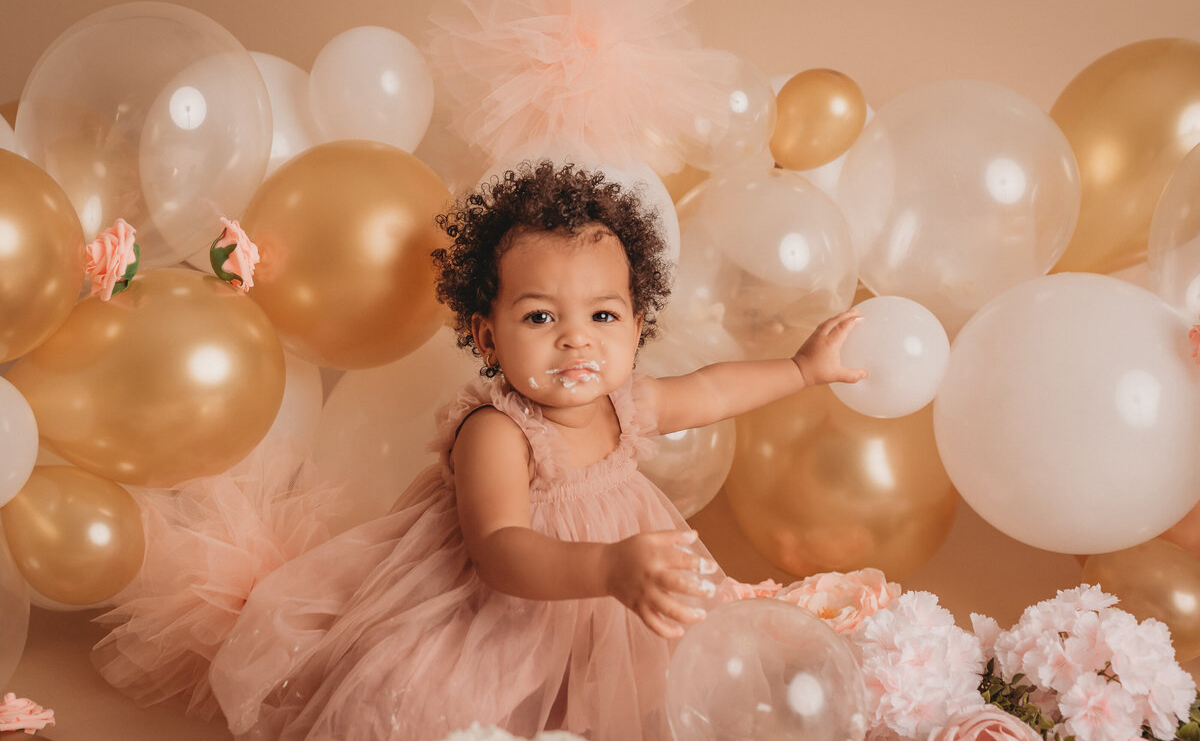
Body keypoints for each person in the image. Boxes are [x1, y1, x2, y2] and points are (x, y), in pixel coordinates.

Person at [206, 160, 866, 741]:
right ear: (487, 337)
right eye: (541, 317)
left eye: (602, 316)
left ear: (638, 326)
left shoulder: (626, 403)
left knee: (648, 689)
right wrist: (607, 567)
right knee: (449, 707)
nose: (576, 340)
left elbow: (713, 388)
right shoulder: (497, 430)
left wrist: (803, 370)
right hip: (499, 609)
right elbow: (500, 548)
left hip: (616, 598)